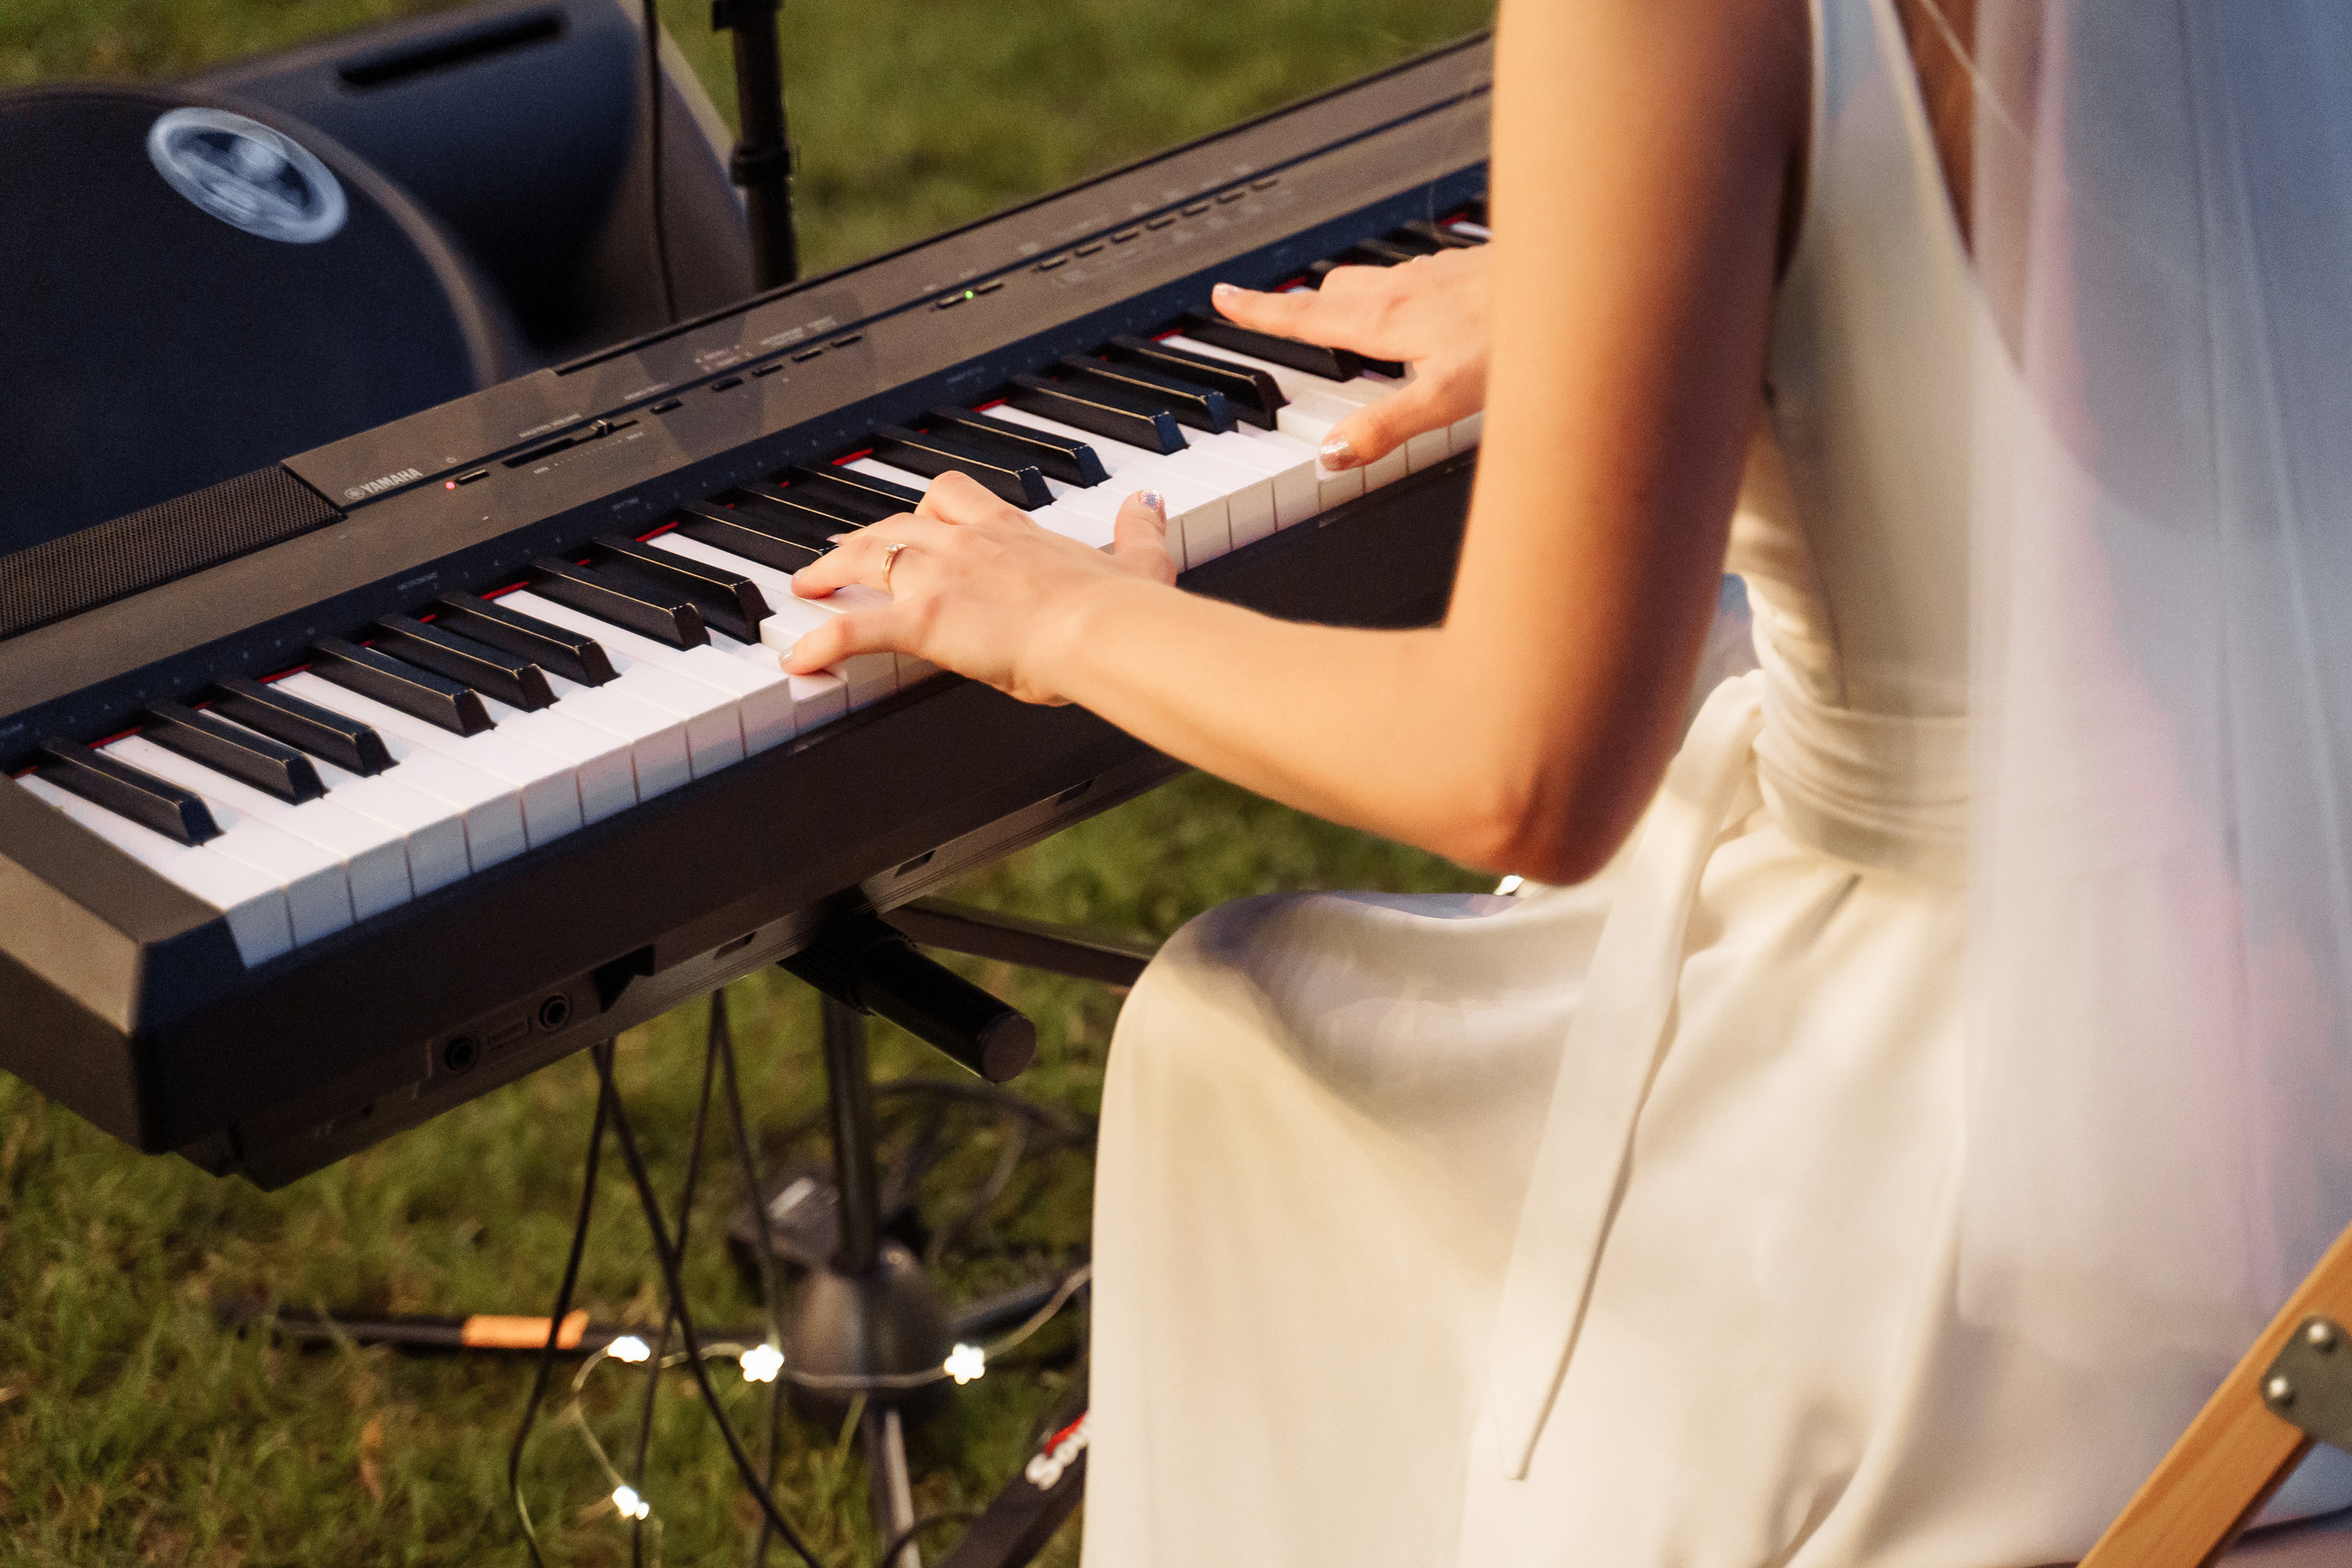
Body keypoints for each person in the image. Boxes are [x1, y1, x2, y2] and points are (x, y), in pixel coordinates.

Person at [783, 0, 2352, 1561]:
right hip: (2295, 1051)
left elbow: (1526, 775)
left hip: (1997, 1216)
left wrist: (1072, 614)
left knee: (1229, 1033)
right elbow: (2145, 271)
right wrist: (1660, 279)